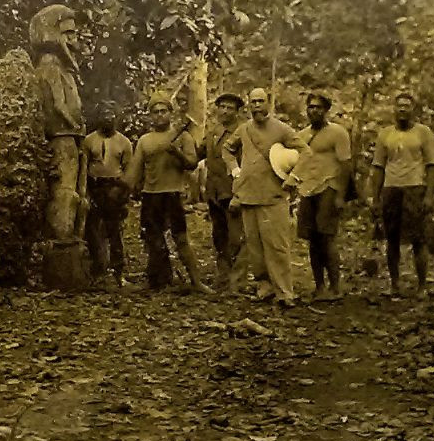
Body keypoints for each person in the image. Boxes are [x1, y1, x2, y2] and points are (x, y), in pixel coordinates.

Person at [228, 87, 307, 308]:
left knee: (278, 246)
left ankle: (285, 292)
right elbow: (228, 149)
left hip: (273, 196)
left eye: (261, 102)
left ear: (268, 103)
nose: (257, 106)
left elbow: (306, 152)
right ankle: (264, 287)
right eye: (253, 102)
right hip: (248, 195)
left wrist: (294, 177)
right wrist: (235, 170)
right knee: (255, 247)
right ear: (248, 104)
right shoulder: (244, 129)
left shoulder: (281, 129)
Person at [123, 97, 208, 293]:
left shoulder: (183, 137)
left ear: (170, 113)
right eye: (156, 111)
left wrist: (176, 153)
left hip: (173, 194)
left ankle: (196, 282)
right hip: (151, 194)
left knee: (181, 239)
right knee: (153, 239)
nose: (160, 115)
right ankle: (156, 281)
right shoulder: (145, 141)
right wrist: (123, 190)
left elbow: (192, 163)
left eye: (164, 111)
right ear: (151, 116)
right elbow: (134, 171)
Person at [368, 92, 434, 297]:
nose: (402, 109)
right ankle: (395, 284)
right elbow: (379, 167)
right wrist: (376, 197)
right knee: (392, 239)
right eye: (399, 106)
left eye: (407, 106)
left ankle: (422, 285)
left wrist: (428, 194)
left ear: (413, 109)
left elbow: (431, 165)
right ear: (394, 109)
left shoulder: (423, 133)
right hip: (391, 189)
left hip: (415, 187)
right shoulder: (385, 134)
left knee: (419, 239)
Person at [294, 92, 352, 301]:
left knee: (327, 237)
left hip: (329, 187)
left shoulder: (338, 133)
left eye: (318, 107)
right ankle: (319, 286)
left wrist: (340, 195)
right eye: (311, 107)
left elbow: (345, 165)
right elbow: (297, 162)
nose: (314, 111)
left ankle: (335, 287)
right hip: (308, 190)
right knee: (312, 239)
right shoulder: (301, 136)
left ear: (326, 110)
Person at [81, 109, 134, 288]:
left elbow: (129, 171)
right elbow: (84, 167)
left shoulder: (124, 142)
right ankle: (98, 270)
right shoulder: (89, 140)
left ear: (116, 118)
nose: (107, 119)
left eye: (111, 116)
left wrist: (123, 193)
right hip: (95, 188)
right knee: (93, 231)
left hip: (115, 188)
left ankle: (118, 272)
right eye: (104, 116)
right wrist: (85, 192)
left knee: (115, 232)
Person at [202, 92, 245, 289]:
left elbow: (246, 164)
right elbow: (198, 155)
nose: (225, 111)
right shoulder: (213, 132)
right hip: (214, 192)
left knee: (236, 237)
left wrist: (240, 192)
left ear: (237, 112)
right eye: (222, 107)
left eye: (230, 108)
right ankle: (223, 276)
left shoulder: (243, 133)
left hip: (233, 191)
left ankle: (237, 280)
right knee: (219, 235)